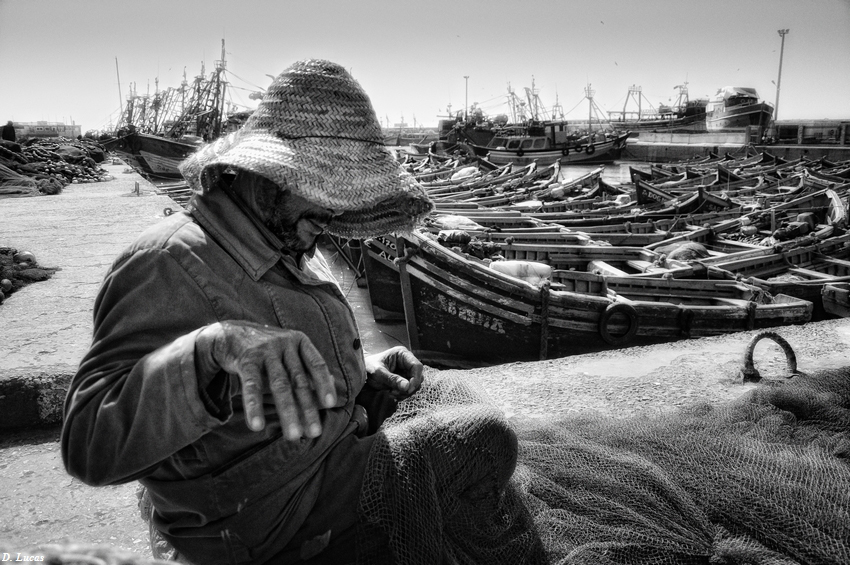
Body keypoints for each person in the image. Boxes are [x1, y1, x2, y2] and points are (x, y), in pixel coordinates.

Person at [60, 59, 437, 564]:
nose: (335, 215)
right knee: (476, 443)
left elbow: (280, 355)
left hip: (329, 463)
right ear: (266, 174)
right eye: (326, 192)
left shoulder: (291, 240)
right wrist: (212, 348)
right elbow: (90, 444)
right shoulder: (168, 262)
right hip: (266, 518)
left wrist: (358, 370)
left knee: (449, 406)